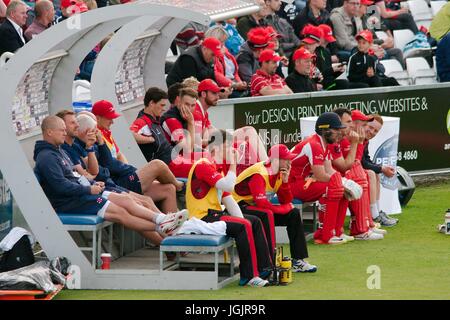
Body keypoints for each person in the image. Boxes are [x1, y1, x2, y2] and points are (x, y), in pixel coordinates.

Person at [33, 116, 189, 241]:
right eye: (61, 130)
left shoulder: (58, 151)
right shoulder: (47, 156)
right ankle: (163, 228)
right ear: (49, 132)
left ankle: (163, 221)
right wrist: (90, 188)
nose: (65, 132)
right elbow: (62, 186)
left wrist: (93, 183)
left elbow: (79, 175)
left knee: (128, 202)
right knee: (121, 213)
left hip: (85, 192)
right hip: (71, 201)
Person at [186, 129, 273, 287]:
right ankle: (249, 276)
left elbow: (228, 198)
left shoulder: (216, 167)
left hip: (214, 215)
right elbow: (229, 186)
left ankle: (265, 268)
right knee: (243, 226)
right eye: (228, 146)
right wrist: (233, 163)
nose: (232, 150)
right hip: (202, 218)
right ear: (217, 148)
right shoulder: (203, 165)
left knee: (253, 221)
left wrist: (241, 219)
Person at [232, 144, 317, 272]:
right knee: (266, 215)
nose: (290, 162)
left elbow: (286, 200)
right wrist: (284, 208)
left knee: (293, 213)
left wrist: (285, 182)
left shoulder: (279, 172)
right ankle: (268, 262)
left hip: (254, 207)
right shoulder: (260, 173)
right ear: (276, 160)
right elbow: (263, 205)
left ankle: (298, 260)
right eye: (286, 159)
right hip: (237, 207)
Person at [90, 100, 184, 214]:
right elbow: (108, 164)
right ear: (97, 118)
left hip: (123, 176)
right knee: (157, 165)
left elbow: (119, 155)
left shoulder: (105, 132)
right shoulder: (94, 137)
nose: (112, 122)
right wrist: (130, 170)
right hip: (116, 182)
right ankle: (180, 187)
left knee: (169, 188)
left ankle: (174, 227)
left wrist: (127, 168)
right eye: (109, 118)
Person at [290, 112, 357, 244]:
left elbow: (330, 170)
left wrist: (344, 182)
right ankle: (325, 235)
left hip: (304, 182)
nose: (340, 133)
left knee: (342, 189)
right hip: (291, 185)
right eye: (336, 129)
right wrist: (340, 182)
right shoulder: (314, 144)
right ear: (324, 129)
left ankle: (337, 232)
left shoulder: (323, 144)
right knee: (335, 188)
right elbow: (321, 176)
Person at [330, 109, 387, 238]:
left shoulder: (351, 137)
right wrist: (358, 143)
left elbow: (355, 162)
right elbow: (349, 165)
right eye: (363, 124)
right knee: (359, 178)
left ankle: (367, 224)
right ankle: (361, 229)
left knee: (362, 176)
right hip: (314, 179)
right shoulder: (341, 138)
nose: (365, 128)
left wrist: (359, 143)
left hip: (334, 175)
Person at [362, 114, 398, 226]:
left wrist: (381, 168)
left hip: (353, 170)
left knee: (375, 173)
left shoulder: (365, 140)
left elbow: (365, 159)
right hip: (345, 173)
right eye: (371, 127)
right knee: (372, 173)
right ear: (364, 124)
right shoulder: (356, 137)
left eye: (376, 131)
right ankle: (374, 215)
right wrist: (381, 168)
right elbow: (362, 162)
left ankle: (376, 211)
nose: (372, 132)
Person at [204, 25, 247, 98]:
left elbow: (235, 73)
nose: (223, 44)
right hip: (223, 89)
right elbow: (217, 75)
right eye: (221, 42)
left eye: (224, 42)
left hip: (233, 87)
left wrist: (240, 83)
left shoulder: (227, 54)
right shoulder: (212, 57)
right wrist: (234, 84)